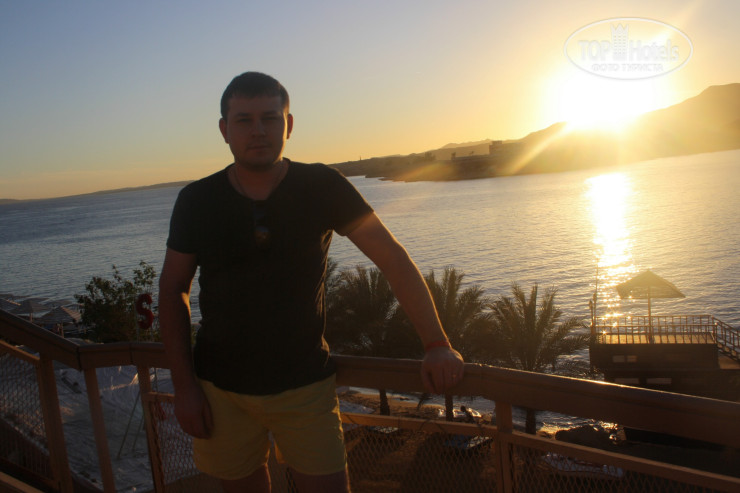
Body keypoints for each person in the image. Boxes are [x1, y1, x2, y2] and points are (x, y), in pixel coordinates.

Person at [159, 71, 464, 493]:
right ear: (224, 130)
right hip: (220, 391)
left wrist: (437, 343)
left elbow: (392, 259)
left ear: (288, 124)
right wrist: (184, 388)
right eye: (244, 120)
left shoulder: (322, 186)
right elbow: (173, 289)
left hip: (305, 386)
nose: (258, 130)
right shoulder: (197, 200)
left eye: (270, 117)